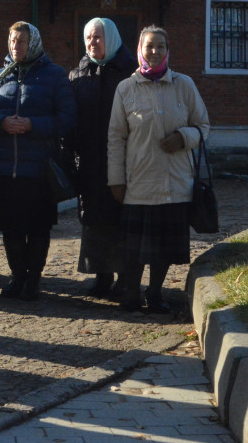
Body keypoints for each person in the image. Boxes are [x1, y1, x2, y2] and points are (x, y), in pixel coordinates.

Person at [108, 25, 210, 313]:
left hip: (174, 182)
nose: (154, 52)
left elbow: (203, 126)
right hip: (138, 182)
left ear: (167, 51)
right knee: (134, 248)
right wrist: (116, 180)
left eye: (160, 47)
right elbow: (116, 138)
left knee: (163, 248)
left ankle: (155, 295)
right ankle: (131, 294)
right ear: (140, 49)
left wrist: (183, 138)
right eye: (149, 46)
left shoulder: (184, 85)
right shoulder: (126, 88)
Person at [0, 22, 76, 301]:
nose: (15, 46)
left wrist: (32, 125)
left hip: (38, 169)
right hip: (4, 166)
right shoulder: (1, 75)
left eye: (21, 41)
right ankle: (17, 276)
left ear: (33, 43)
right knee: (10, 227)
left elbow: (67, 118)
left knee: (37, 227)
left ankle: (33, 279)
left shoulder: (54, 75)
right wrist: (1, 122)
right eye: (12, 40)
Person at [66, 18, 136, 299]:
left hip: (122, 160)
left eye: (98, 37)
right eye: (88, 37)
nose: (92, 42)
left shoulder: (130, 73)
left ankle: (125, 278)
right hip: (90, 160)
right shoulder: (78, 74)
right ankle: (101, 275)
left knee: (121, 219)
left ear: (111, 37)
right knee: (94, 220)